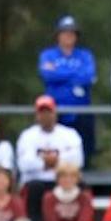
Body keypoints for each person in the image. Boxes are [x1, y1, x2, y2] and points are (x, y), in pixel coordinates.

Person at [16, 96, 85, 221]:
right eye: (42, 113)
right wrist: (49, 163)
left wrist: (51, 162)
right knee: (34, 188)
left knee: (81, 186)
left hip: (63, 180)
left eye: (48, 112)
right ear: (37, 115)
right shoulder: (27, 136)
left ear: (55, 113)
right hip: (36, 182)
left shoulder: (69, 134)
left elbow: (78, 160)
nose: (45, 116)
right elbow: (23, 163)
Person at [38, 16, 97, 164]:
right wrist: (74, 74)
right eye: (65, 32)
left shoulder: (85, 55)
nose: (68, 36)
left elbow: (88, 77)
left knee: (83, 150)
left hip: (81, 111)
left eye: (72, 33)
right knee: (58, 148)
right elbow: (48, 76)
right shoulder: (48, 55)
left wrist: (61, 74)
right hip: (57, 111)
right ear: (58, 35)